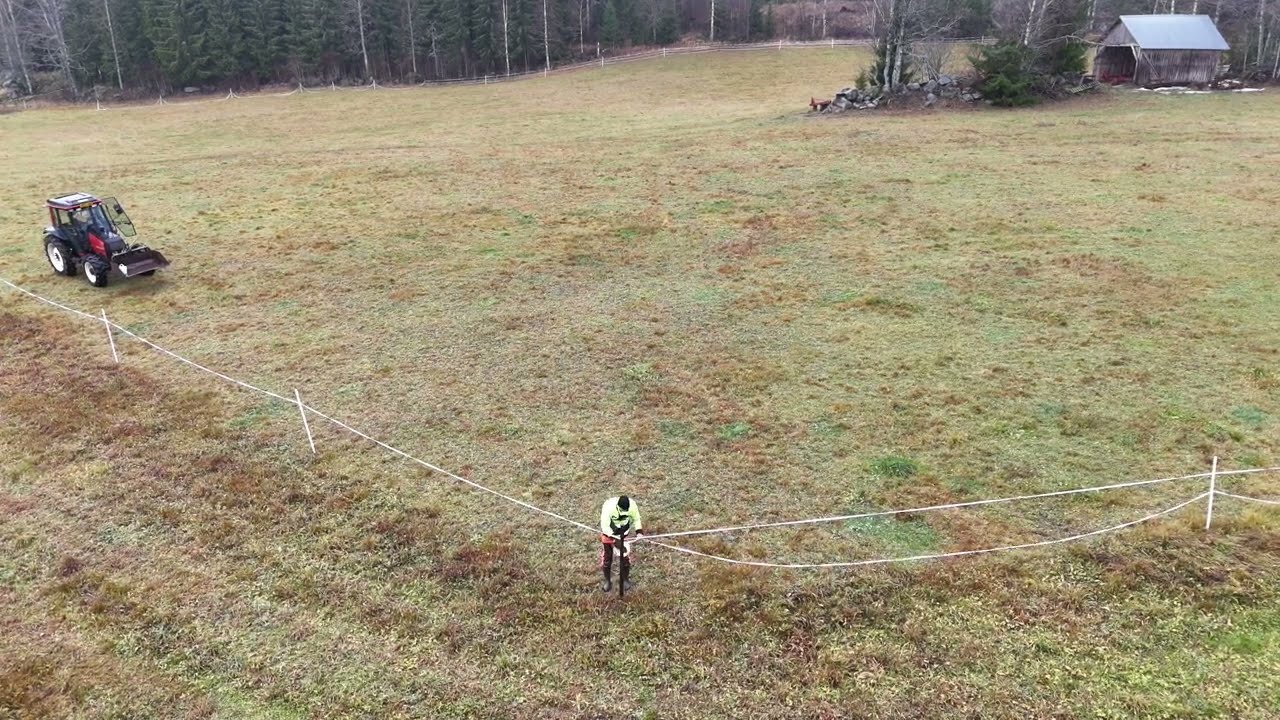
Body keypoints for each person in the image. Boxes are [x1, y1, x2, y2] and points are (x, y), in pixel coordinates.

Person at [599, 495, 642, 593]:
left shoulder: (632, 506)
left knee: (625, 558)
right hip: (609, 534)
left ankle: (625, 579)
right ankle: (607, 581)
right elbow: (605, 526)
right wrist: (615, 540)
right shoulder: (608, 507)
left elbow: (636, 519)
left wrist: (639, 532)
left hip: (623, 533)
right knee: (607, 558)